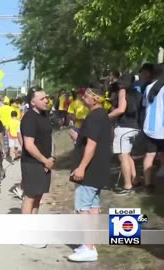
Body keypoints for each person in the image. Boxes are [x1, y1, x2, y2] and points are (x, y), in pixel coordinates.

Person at [67, 87, 112, 262]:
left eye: (86, 95)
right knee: (93, 207)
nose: (83, 98)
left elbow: (91, 145)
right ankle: (89, 243)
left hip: (90, 170)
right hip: (100, 167)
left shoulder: (94, 117)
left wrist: (81, 168)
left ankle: (89, 248)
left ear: (96, 98)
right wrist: (77, 138)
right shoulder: (103, 116)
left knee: (82, 208)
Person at [20, 86, 53, 248]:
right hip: (32, 163)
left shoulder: (45, 116)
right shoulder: (29, 118)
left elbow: (47, 140)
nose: (46, 100)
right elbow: (29, 145)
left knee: (38, 197)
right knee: (30, 197)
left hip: (44, 162)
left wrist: (50, 158)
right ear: (33, 102)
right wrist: (44, 160)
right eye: (42, 98)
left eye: (46, 97)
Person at [108, 73, 143, 195]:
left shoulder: (122, 91)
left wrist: (106, 117)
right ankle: (135, 179)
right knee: (127, 156)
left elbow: (121, 109)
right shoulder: (138, 94)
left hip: (124, 127)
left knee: (123, 157)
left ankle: (128, 186)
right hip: (135, 127)